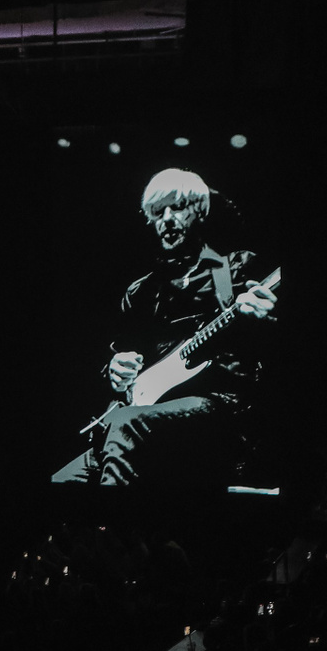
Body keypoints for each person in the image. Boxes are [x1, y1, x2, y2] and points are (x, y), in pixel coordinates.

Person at [54, 167, 278, 487]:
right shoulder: (140, 292)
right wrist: (115, 371)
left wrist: (266, 319)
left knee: (125, 424)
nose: (167, 219)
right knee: (61, 480)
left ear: (200, 211)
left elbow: (282, 352)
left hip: (217, 410)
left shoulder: (236, 269)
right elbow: (118, 362)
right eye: (158, 211)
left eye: (178, 207)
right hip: (140, 419)